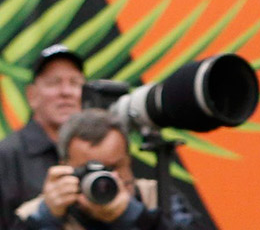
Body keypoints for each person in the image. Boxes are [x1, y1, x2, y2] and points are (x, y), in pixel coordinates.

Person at [14, 109, 166, 230]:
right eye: (88, 170)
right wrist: (47, 218)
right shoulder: (33, 214)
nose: (103, 182)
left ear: (129, 162)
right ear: (64, 168)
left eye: (112, 168)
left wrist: (133, 215)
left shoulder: (158, 197)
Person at [0, 46, 83, 230]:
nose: (66, 92)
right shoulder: (6, 155)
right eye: (54, 83)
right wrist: (44, 213)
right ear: (32, 95)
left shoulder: (98, 149)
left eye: (75, 82)